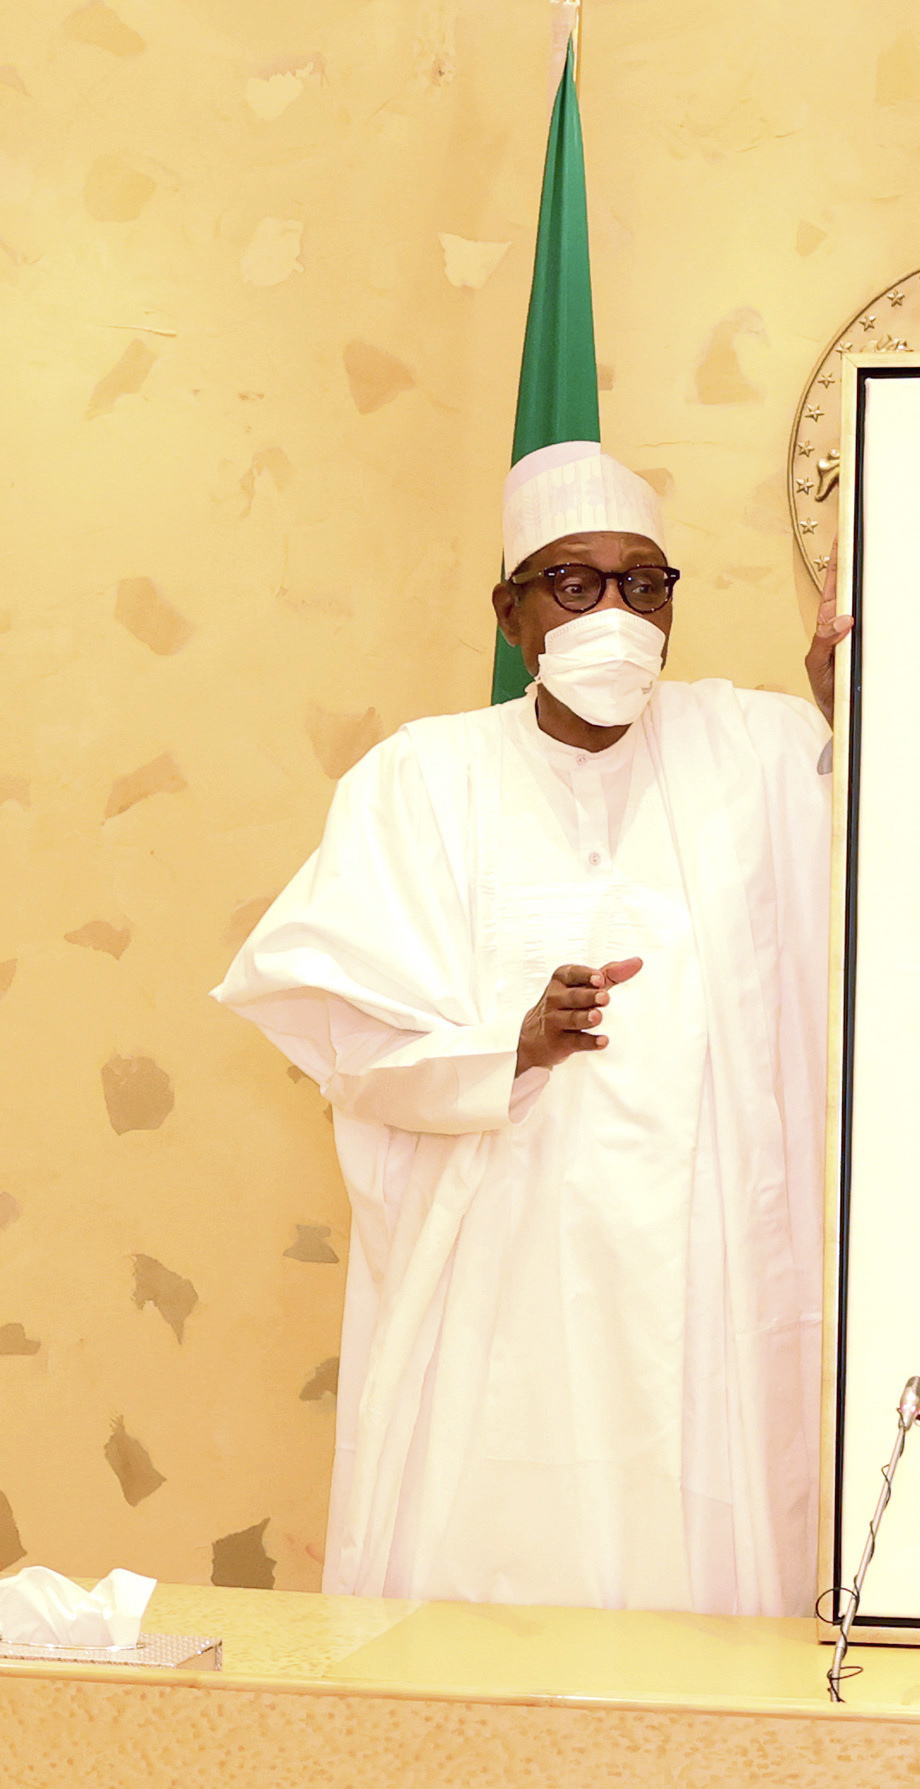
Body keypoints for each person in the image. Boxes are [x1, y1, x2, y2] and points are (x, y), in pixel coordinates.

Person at [213, 443, 850, 1615]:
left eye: (644, 583)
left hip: (707, 1295)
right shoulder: (424, 779)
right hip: (507, 1292)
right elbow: (341, 1026)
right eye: (574, 582)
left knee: (702, 1600)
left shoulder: (759, 750)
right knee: (498, 1602)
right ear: (510, 614)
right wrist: (513, 1045)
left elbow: (887, 870)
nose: (615, 612)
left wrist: (848, 711)